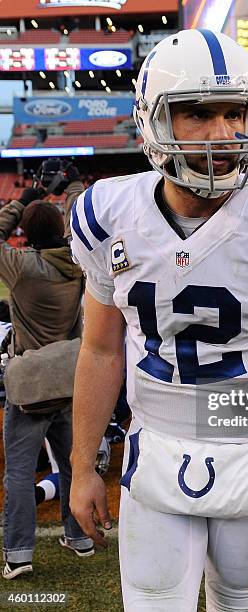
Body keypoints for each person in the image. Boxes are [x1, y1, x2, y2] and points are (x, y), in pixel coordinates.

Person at [69, 29, 248, 611]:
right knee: (150, 603)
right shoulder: (110, 215)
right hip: (154, 441)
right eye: (196, 113)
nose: (223, 135)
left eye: (236, 113)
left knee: (241, 602)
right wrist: (82, 466)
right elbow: (99, 351)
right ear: (152, 120)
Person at [0, 187, 94, 580]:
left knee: (19, 472)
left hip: (30, 384)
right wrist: (71, 188)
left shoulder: (23, 266)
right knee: (73, 461)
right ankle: (80, 537)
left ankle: (19, 553)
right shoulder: (79, 262)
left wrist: (24, 199)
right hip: (71, 379)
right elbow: (87, 223)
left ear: (26, 232)